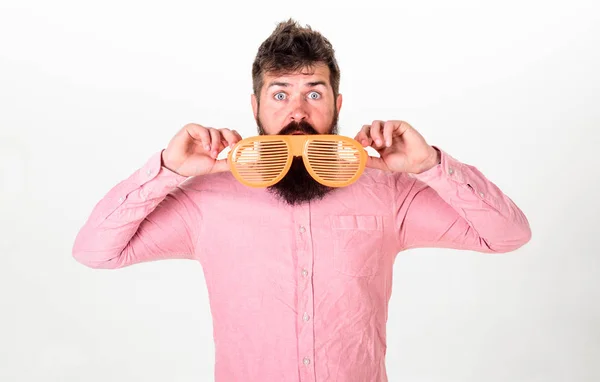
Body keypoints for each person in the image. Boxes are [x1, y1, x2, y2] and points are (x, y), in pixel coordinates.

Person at [72, 18, 531, 382]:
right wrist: (167, 171)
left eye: (314, 93)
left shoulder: (390, 192)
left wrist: (429, 164)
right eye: (280, 94)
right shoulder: (207, 199)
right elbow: (95, 251)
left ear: (336, 105)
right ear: (255, 107)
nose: (297, 112)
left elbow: (507, 236)